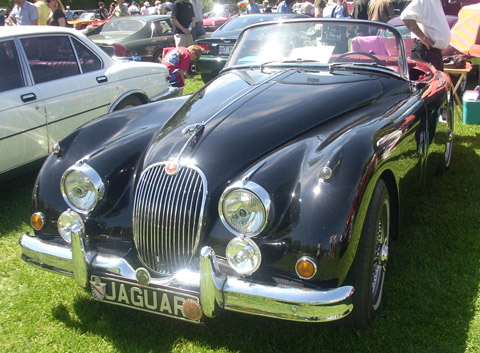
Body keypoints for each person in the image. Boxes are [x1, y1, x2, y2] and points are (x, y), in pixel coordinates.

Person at [401, 0, 450, 71]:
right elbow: (406, 16)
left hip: (433, 52)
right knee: (425, 80)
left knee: (438, 80)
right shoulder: (425, 1)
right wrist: (423, 38)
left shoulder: (437, 2)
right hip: (425, 51)